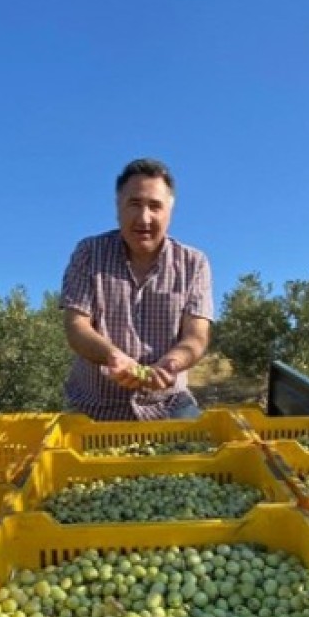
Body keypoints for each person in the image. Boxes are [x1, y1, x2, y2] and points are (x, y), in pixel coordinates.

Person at [59, 158, 213, 420]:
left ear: (169, 211)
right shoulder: (88, 253)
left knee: (204, 456)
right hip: (93, 407)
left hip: (169, 405)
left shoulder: (193, 263)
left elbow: (196, 336)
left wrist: (172, 363)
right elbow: (77, 327)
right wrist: (113, 356)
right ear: (118, 207)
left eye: (155, 206)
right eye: (134, 204)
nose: (144, 218)